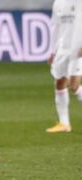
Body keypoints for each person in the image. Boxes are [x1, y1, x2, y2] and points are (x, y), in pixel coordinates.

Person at [46, 0, 82, 133]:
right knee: (59, 82)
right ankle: (64, 123)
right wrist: (53, 51)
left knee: (74, 85)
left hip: (78, 49)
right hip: (63, 49)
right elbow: (55, 27)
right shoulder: (58, 3)